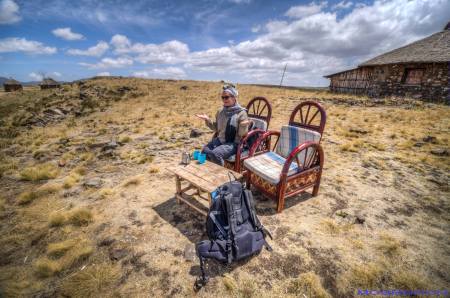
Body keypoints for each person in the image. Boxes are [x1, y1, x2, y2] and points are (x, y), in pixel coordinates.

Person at [196, 84, 250, 166]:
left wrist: (243, 126)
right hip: (221, 140)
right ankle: (209, 170)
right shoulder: (220, 112)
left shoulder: (241, 113)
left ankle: (221, 175)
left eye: (227, 97)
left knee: (215, 154)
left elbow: (242, 135)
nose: (224, 99)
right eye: (223, 97)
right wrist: (207, 120)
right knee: (205, 151)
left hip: (233, 143)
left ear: (234, 97)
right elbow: (216, 128)